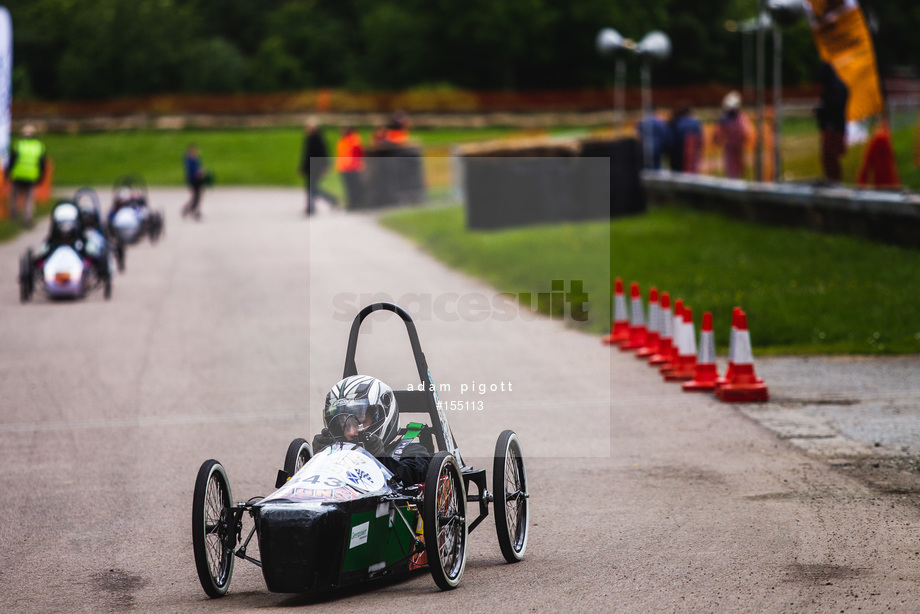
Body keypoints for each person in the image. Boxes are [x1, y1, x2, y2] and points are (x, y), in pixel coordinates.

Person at [312, 375, 431, 486]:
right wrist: (319, 460)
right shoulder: (337, 456)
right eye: (344, 425)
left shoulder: (411, 451)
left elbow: (416, 473)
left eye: (361, 422)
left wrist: (381, 460)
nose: (351, 433)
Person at [6, 124, 48, 227]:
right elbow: (42, 163)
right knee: (29, 198)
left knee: (15, 195)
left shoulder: (19, 144)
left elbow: (12, 160)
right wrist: (41, 176)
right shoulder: (39, 145)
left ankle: (14, 214)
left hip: (18, 174)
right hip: (31, 175)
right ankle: (27, 217)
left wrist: (8, 172)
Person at [814, 61, 848, 183]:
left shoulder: (837, 88)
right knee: (827, 157)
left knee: (832, 156)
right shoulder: (832, 87)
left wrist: (822, 111)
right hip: (832, 127)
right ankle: (831, 179)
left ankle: (835, 181)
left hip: (835, 128)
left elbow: (833, 107)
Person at [299, 118, 338, 215]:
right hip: (310, 167)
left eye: (308, 127)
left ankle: (312, 207)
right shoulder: (309, 139)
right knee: (312, 188)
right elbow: (306, 155)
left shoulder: (319, 139)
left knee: (312, 188)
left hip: (316, 167)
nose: (306, 129)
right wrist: (303, 167)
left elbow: (324, 154)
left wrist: (325, 167)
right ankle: (330, 200)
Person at [714, 91, 751, 179]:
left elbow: (746, 133)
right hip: (733, 147)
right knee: (734, 169)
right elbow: (746, 133)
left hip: (735, 147)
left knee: (735, 169)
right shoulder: (740, 118)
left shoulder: (739, 119)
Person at [668, 104, 703, 173]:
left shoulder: (675, 122)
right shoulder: (695, 122)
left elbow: (670, 139)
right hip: (692, 154)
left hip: (679, 153)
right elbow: (700, 140)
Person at [335, 126, 365, 209]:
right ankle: (352, 203)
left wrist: (354, 165)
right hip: (344, 167)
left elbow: (357, 154)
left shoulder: (353, 140)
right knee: (348, 187)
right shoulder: (344, 139)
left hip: (351, 167)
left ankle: (355, 203)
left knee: (353, 187)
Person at [181, 144, 205, 220]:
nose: (195, 152)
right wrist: (199, 172)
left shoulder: (196, 159)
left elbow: (199, 167)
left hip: (198, 180)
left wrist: (202, 171)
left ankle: (192, 210)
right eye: (193, 151)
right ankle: (189, 210)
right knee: (195, 197)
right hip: (193, 180)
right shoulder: (189, 160)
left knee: (198, 196)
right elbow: (192, 170)